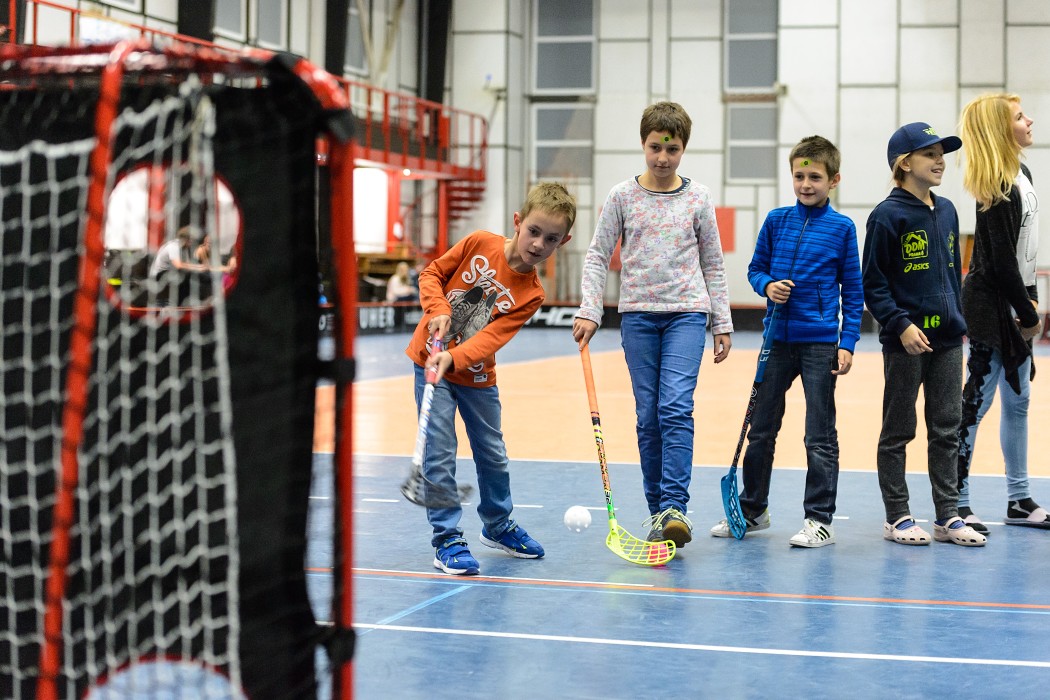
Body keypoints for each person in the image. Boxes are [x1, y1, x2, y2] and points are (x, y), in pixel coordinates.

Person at [572, 101, 733, 549]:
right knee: (648, 417)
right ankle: (657, 511)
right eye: (655, 147)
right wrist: (590, 308)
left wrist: (722, 321)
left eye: (673, 148)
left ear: (684, 149)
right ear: (643, 144)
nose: (663, 157)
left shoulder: (698, 197)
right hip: (638, 316)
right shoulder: (622, 196)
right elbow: (598, 254)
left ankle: (675, 506)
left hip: (687, 314)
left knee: (675, 407)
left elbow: (713, 264)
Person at [407, 182, 575, 575]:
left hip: (475, 373)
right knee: (440, 451)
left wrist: (456, 356)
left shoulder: (531, 293)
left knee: (493, 454)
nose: (538, 244)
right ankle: (446, 539)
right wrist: (437, 307)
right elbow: (431, 273)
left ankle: (498, 525)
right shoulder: (478, 241)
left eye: (550, 239)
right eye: (533, 231)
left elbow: (491, 338)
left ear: (562, 242)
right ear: (518, 222)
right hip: (430, 362)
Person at [709, 135, 862, 548]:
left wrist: (847, 342)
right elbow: (755, 269)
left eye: (815, 176)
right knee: (761, 430)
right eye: (799, 175)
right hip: (775, 341)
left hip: (820, 346)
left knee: (819, 434)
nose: (806, 184)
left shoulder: (843, 229)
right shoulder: (776, 221)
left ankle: (819, 519)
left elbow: (854, 290)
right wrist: (768, 286)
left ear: (834, 180)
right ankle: (754, 510)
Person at [863, 122, 986, 547]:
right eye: (930, 154)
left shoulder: (949, 209)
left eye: (942, 154)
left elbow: (953, 272)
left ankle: (947, 515)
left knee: (947, 428)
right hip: (906, 342)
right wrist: (901, 325)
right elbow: (873, 284)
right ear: (904, 163)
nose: (941, 161)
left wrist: (958, 318)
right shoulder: (886, 216)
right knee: (898, 428)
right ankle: (897, 515)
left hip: (949, 340)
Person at [956, 93, 1048, 531]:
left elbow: (1024, 255)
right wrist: (1028, 315)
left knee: (1020, 400)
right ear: (999, 130)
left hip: (1015, 304)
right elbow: (1000, 263)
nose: (1029, 120)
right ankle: (956, 500)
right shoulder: (998, 186)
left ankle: (1019, 499)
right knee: (976, 401)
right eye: (1019, 116)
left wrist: (1030, 303)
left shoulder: (1022, 173)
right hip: (992, 308)